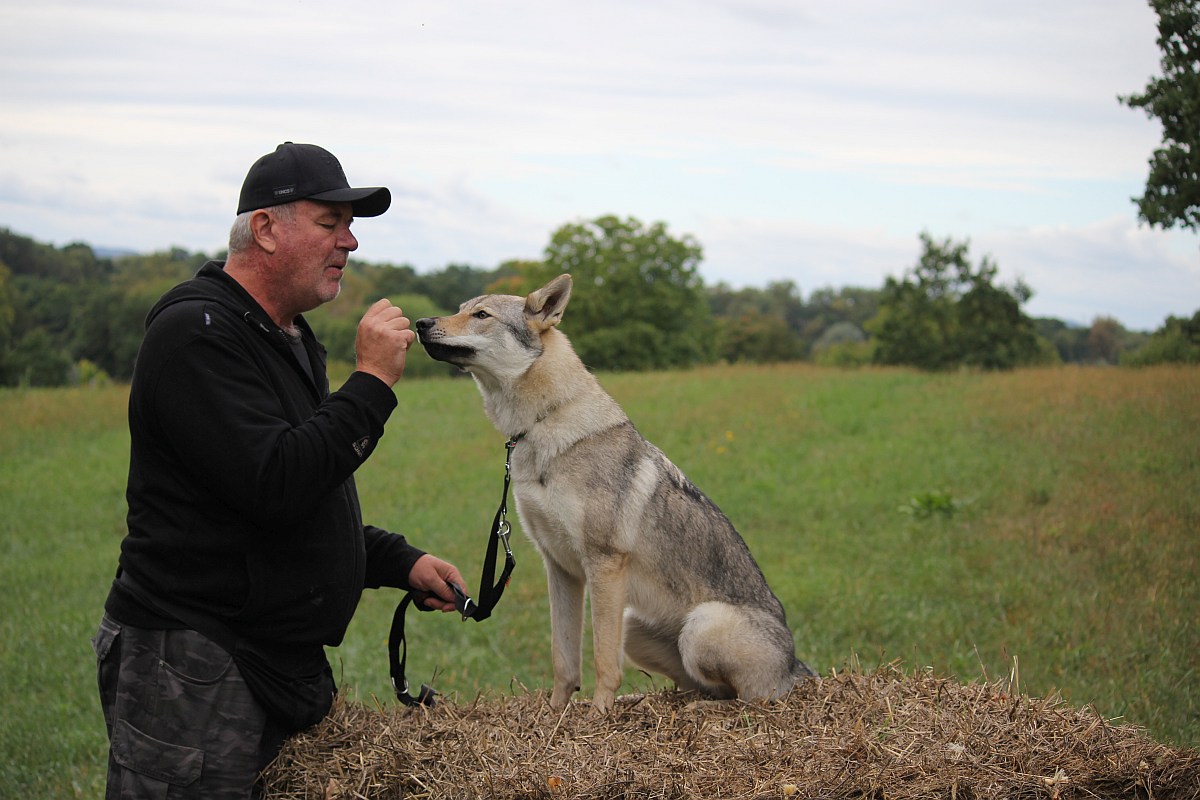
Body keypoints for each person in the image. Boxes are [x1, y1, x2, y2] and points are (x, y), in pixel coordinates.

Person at [92, 142, 466, 798]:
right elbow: (275, 484)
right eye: (330, 223)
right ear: (265, 229)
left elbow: (305, 497)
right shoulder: (195, 335)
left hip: (265, 661)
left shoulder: (283, 335)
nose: (349, 242)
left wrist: (396, 561)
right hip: (194, 662)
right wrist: (373, 382)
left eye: (349, 227)